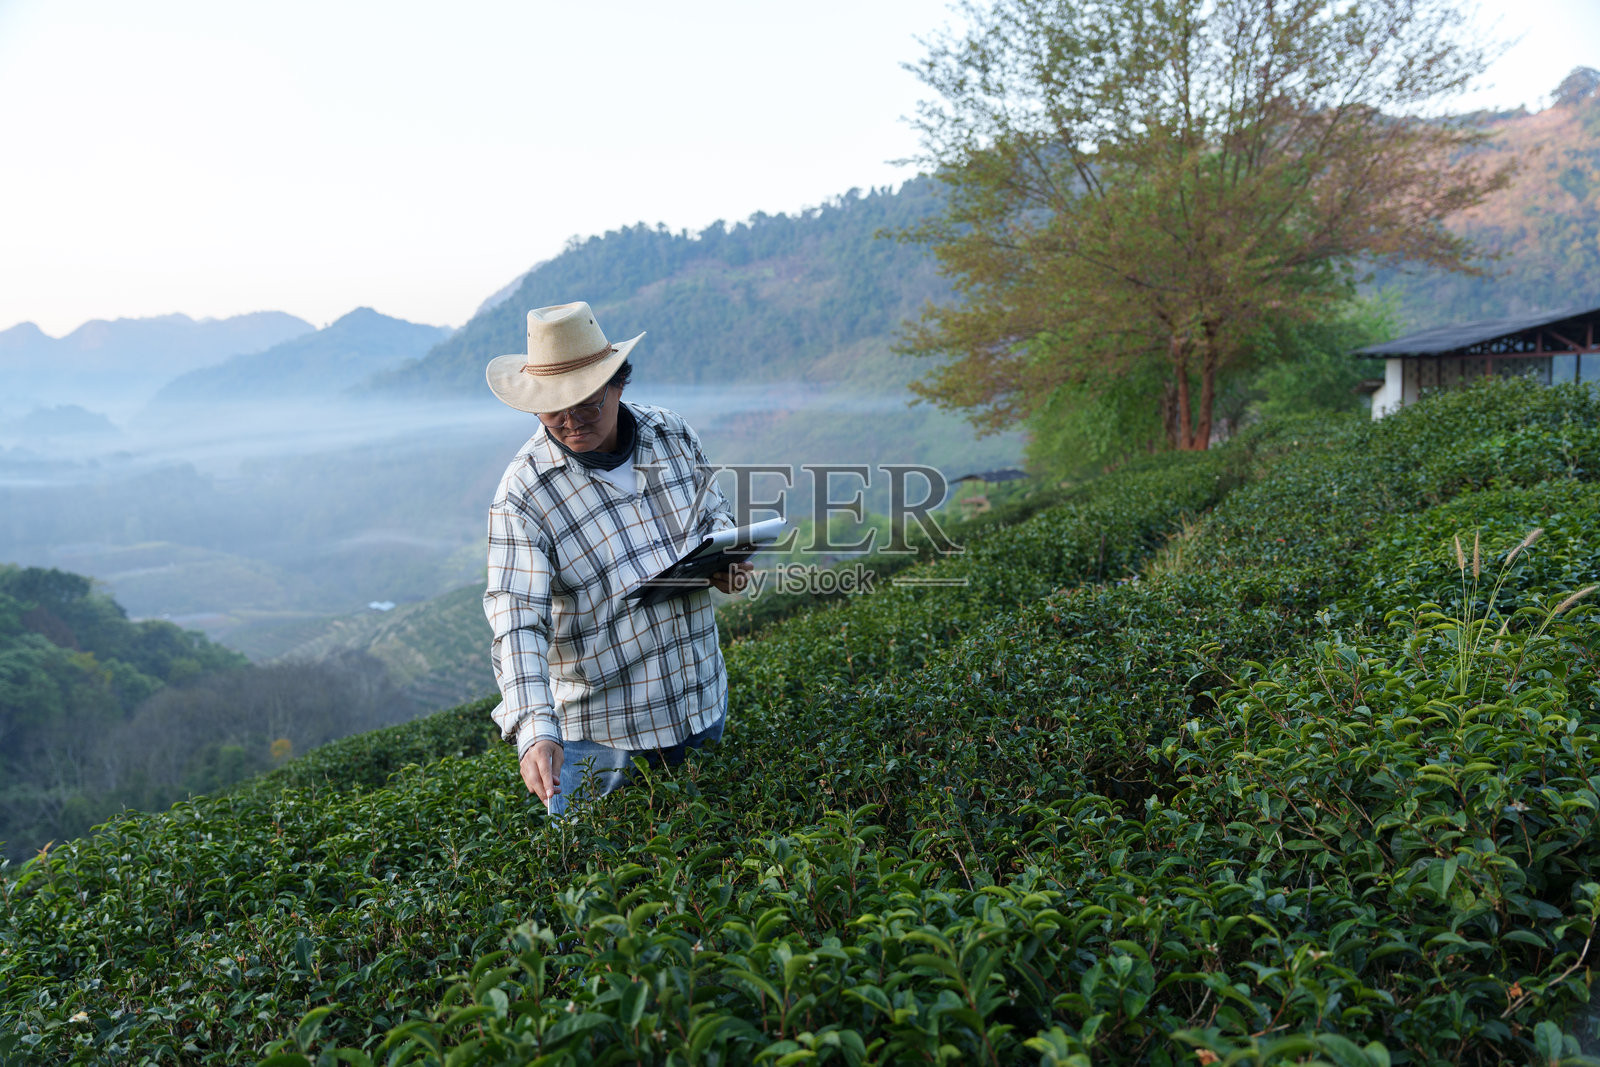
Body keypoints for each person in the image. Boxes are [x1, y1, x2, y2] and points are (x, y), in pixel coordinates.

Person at [482, 301, 751, 816]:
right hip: (603, 738)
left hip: (699, 704)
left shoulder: (671, 434)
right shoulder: (525, 494)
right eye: (552, 407)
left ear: (617, 383)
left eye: (586, 402)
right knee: (597, 882)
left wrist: (726, 560)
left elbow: (712, 516)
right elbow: (517, 620)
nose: (569, 420)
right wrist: (535, 728)